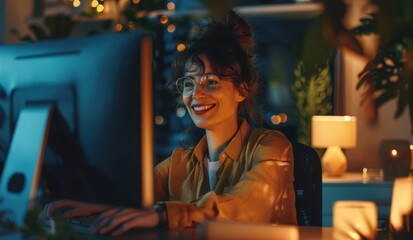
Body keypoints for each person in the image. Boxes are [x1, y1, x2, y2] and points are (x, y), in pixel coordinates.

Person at [47, 9, 297, 236]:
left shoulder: (271, 146)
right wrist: (92, 206)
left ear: (241, 90)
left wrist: (165, 213)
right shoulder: (179, 163)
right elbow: (131, 200)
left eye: (211, 82)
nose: (195, 94)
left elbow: (249, 207)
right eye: (189, 83)